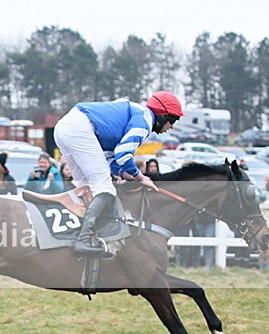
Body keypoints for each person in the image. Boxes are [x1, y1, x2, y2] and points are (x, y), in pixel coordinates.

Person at [54, 91, 181, 256]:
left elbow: (110, 160)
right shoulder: (144, 122)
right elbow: (124, 154)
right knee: (105, 189)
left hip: (65, 127)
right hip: (79, 129)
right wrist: (140, 177)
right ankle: (83, 240)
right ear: (163, 115)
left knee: (86, 188)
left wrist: (126, 173)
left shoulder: (136, 114)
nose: (172, 126)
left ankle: (80, 235)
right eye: (173, 120)